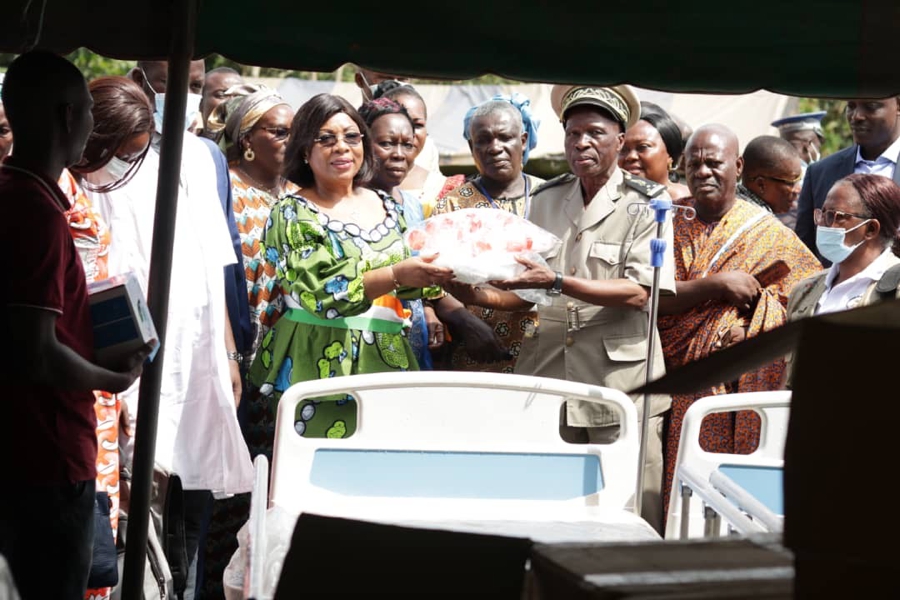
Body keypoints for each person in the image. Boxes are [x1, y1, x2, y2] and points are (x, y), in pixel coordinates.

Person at [464, 84, 675, 533]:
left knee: (628, 508)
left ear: (621, 139)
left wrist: (558, 280)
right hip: (548, 376)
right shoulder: (543, 199)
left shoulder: (648, 205)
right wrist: (472, 293)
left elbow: (641, 293)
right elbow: (529, 294)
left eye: (595, 132)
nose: (581, 143)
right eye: (573, 133)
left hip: (618, 381)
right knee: (548, 502)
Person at [247, 93, 488, 443]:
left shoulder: (386, 205)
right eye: (325, 139)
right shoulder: (292, 212)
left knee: (383, 467)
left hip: (385, 352)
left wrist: (445, 272)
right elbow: (322, 294)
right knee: (320, 470)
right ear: (304, 151)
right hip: (319, 355)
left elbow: (410, 284)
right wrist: (395, 275)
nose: (341, 147)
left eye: (351, 136)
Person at [0, 50, 151, 600]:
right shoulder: (37, 214)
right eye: (88, 110)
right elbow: (35, 351)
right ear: (68, 117)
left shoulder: (19, 194)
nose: (91, 124)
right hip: (45, 453)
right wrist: (111, 379)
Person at [657, 124, 821, 520]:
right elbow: (649, 298)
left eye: (714, 162)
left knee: (731, 501)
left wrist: (753, 329)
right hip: (668, 380)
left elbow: (809, 298)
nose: (703, 171)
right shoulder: (665, 224)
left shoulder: (766, 232)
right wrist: (717, 285)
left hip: (736, 389)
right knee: (679, 497)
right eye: (693, 163)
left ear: (738, 165)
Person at [66, 75, 155, 600]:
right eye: (121, 154)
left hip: (96, 388)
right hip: (71, 386)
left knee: (96, 544)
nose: (123, 168)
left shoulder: (73, 189)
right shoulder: (48, 195)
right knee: (79, 550)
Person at [432, 94, 544, 373]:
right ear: (472, 147)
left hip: (543, 349)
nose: (495, 148)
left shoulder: (550, 197)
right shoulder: (454, 204)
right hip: (475, 350)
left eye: (505, 137)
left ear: (523, 139)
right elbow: (430, 278)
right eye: (483, 140)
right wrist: (464, 322)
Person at [795, 97, 900, 260]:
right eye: (851, 106)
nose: (856, 116)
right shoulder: (820, 173)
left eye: (871, 106)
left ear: (898, 106)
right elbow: (803, 252)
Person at [787, 174, 900, 323]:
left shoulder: (894, 289)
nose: (823, 224)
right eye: (824, 213)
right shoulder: (805, 290)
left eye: (836, 216)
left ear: (871, 229)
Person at [375, 81, 465, 216]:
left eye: (417, 125)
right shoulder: (354, 183)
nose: (408, 133)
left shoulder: (448, 189)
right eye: (401, 122)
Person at [618, 101, 690, 200]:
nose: (631, 156)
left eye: (643, 147)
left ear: (670, 155)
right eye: (623, 149)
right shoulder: (606, 199)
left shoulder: (689, 203)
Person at [737, 135, 804, 220]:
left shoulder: (730, 206)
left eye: (799, 179)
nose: (798, 189)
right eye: (791, 182)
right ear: (760, 184)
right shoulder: (760, 225)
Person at [199, 66, 244, 135]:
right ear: (200, 103)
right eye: (221, 95)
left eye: (238, 96)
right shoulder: (187, 143)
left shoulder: (254, 144)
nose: (232, 101)